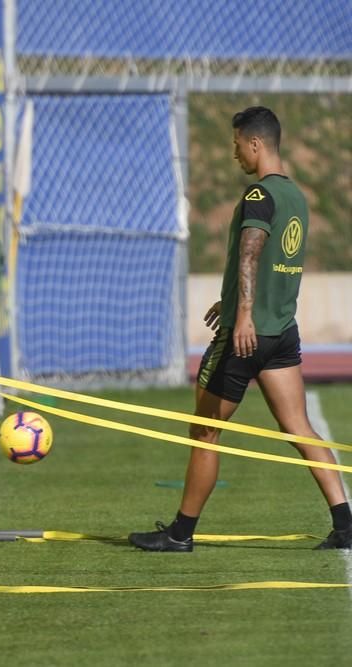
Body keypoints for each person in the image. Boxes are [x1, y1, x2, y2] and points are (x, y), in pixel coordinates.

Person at [130, 106, 352, 553]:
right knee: (300, 428)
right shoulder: (296, 197)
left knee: (205, 431)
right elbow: (272, 262)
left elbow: (252, 252)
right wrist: (232, 299)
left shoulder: (258, 195)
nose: (234, 153)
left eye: (236, 144)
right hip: (282, 333)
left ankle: (180, 534)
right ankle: (345, 525)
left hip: (246, 336)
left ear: (255, 143)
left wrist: (242, 314)